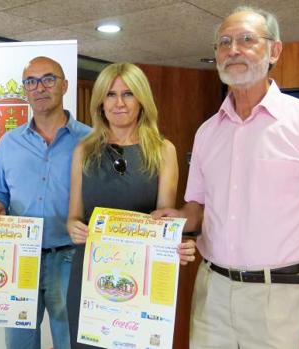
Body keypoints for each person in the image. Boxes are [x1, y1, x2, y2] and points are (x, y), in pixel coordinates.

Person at [153, 6, 299, 349]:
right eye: (224, 42)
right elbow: (196, 210)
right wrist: (175, 221)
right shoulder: (207, 133)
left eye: (247, 39)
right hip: (212, 296)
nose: (233, 49)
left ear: (274, 50)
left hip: (282, 302)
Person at [66, 62, 196, 349]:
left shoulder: (163, 150)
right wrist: (73, 227)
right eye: (111, 94)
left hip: (140, 280)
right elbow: (73, 215)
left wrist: (177, 244)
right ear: (100, 101)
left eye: (128, 94)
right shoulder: (83, 150)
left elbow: (163, 221)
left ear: (142, 100)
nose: (119, 103)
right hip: (90, 276)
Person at [0, 56, 91, 349]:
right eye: (31, 81)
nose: (39, 87)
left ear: (64, 85)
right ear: (25, 89)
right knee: (19, 342)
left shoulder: (90, 141)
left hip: (70, 258)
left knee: (70, 341)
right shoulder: (10, 143)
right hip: (18, 258)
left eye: (48, 79)